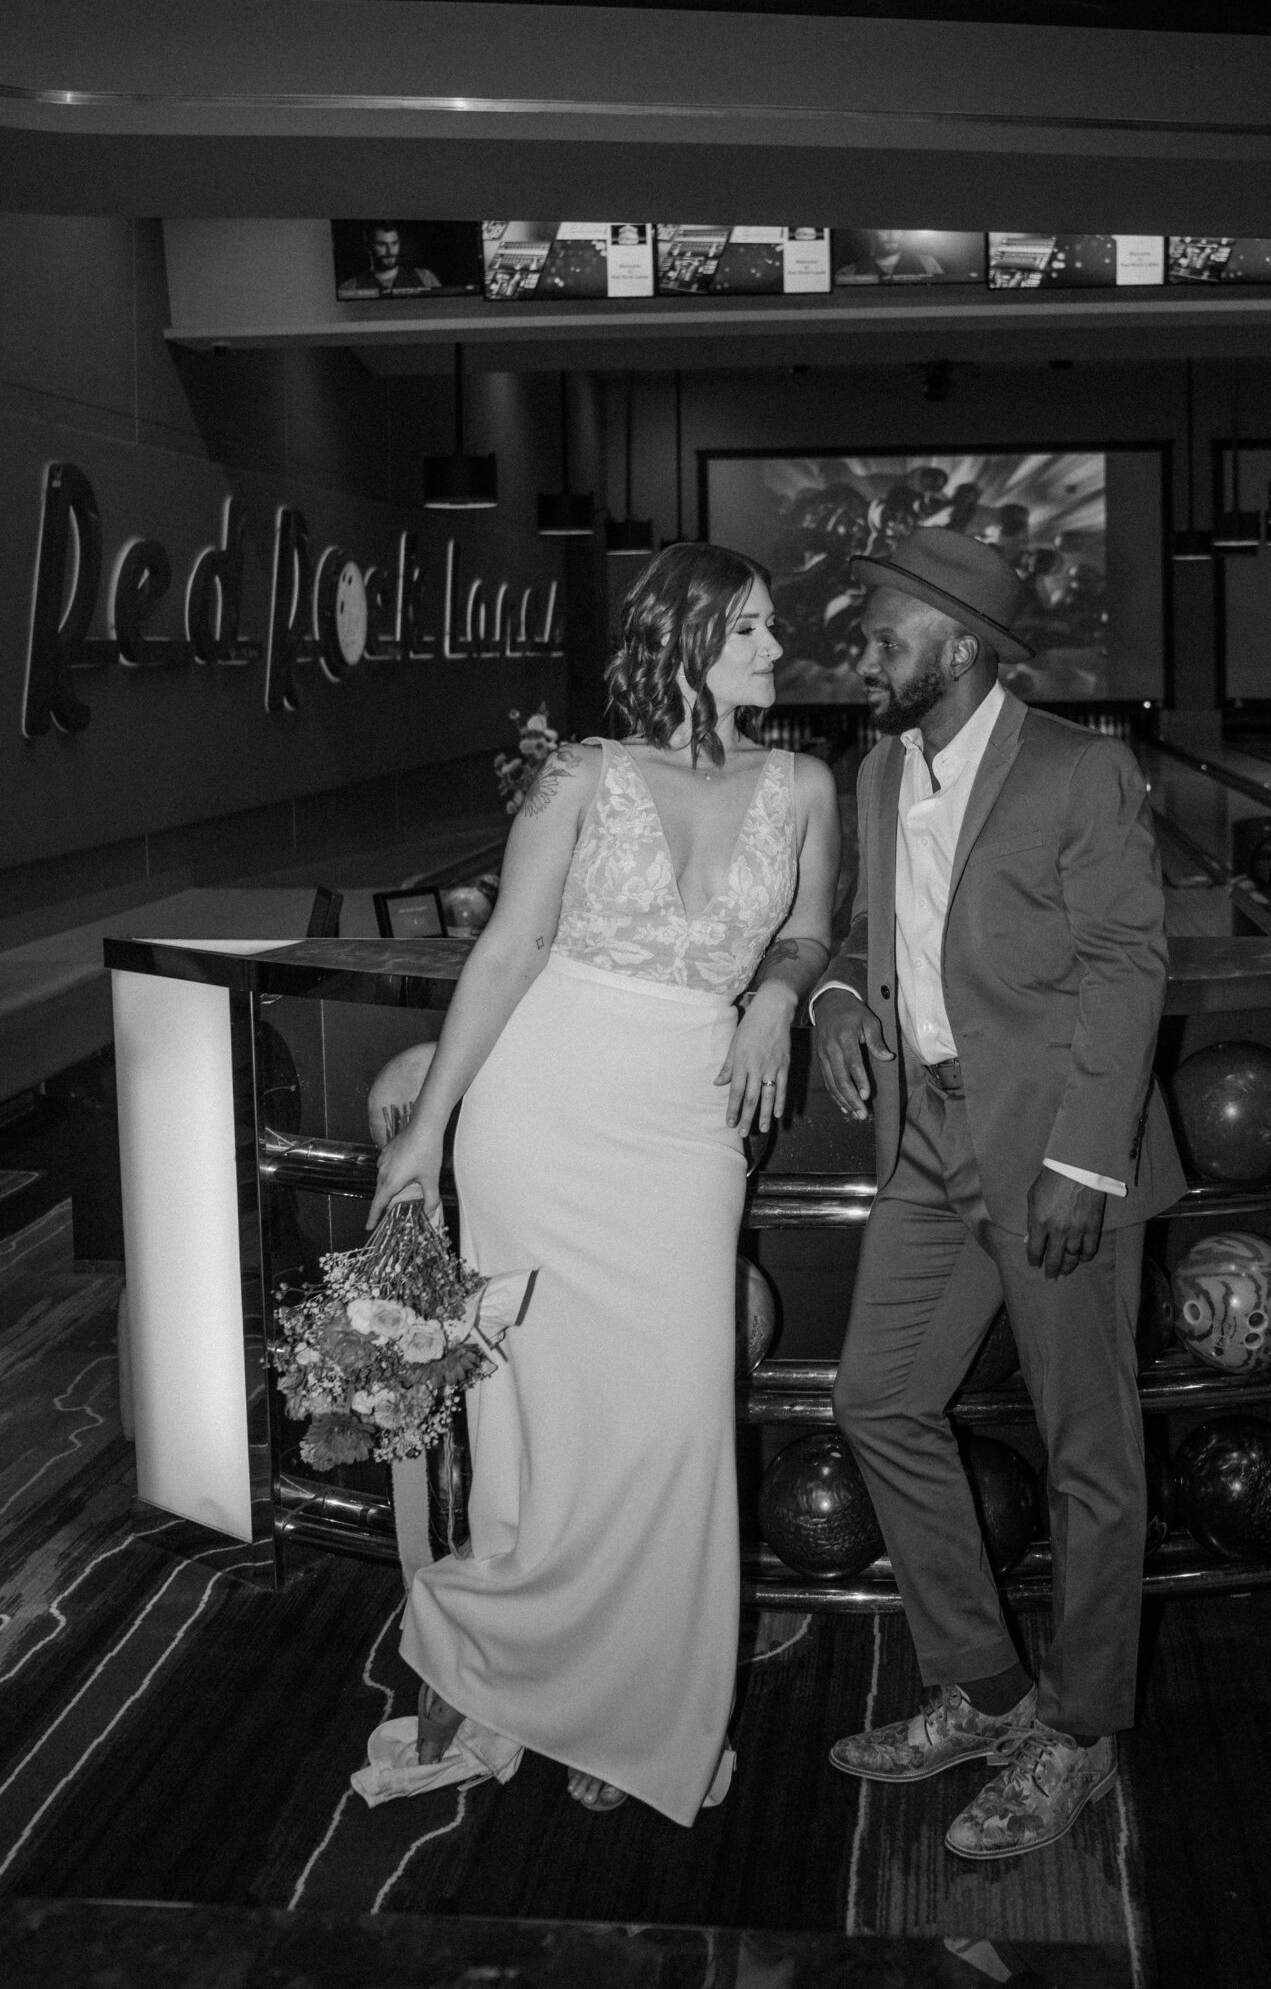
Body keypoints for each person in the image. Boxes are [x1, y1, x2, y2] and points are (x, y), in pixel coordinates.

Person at [359, 543, 839, 1821]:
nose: (775, 653)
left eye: (772, 631)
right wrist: (427, 1133)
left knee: (674, 1424)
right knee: (543, 1420)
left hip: (685, 1125)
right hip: (541, 1111)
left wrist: (779, 997)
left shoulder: (803, 783)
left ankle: (640, 1709)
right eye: (748, 630)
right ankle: (539, 1682)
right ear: (682, 635)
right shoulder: (581, 775)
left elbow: (810, 926)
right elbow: (510, 950)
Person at [811, 526, 1184, 1861]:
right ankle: (980, 1692)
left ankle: (1074, 1736)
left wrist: (1087, 1160)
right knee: (877, 1397)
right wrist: (842, 995)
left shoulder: (1080, 770)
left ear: (955, 646)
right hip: (926, 1141)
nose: (861, 648)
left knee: (1088, 1451)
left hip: (1049, 1153)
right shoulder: (874, 770)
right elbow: (873, 935)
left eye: (883, 629)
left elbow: (1126, 964)